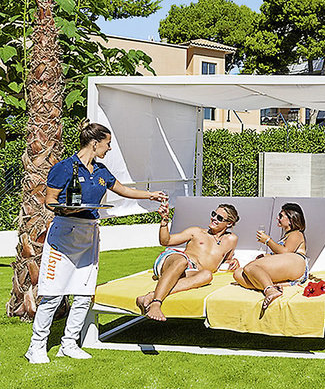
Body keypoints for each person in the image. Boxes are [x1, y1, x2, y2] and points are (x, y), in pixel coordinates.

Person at [25, 122, 168, 364]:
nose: (109, 148)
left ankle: (69, 344)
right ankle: (36, 346)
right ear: (95, 142)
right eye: (107, 143)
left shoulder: (101, 170)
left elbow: (123, 190)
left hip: (89, 233)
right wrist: (66, 210)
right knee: (52, 294)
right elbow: (50, 200)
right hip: (64, 233)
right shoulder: (64, 168)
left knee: (84, 294)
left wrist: (150, 195)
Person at [135, 202, 239, 322]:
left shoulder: (232, 239)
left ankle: (150, 296)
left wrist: (233, 261)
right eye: (213, 214)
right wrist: (164, 222)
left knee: (207, 275)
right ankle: (156, 303)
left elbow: (225, 259)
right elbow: (166, 241)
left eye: (219, 218)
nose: (214, 218)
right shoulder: (196, 232)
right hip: (175, 259)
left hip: (192, 271)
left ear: (229, 223)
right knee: (182, 261)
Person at [232, 203, 308, 315]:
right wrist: (267, 257)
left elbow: (286, 252)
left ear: (291, 219)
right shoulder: (287, 235)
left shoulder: (296, 234)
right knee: (238, 274)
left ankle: (269, 289)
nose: (277, 218)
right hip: (289, 265)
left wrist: (268, 241)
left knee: (250, 267)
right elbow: (281, 256)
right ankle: (273, 287)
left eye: (281, 215)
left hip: (297, 263)